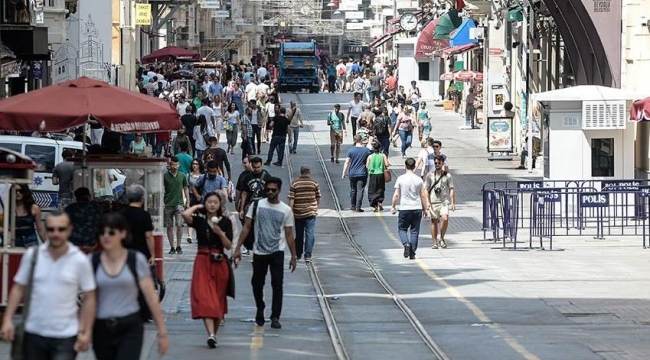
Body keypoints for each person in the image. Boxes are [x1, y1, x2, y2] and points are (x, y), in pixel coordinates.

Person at [1, 211, 97, 358]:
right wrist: (8, 319)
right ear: (46, 229)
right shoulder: (33, 256)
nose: (56, 233)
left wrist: (86, 331)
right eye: (51, 229)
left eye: (61, 229)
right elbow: (19, 287)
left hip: (66, 335)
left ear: (69, 229)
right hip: (34, 332)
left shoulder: (79, 260)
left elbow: (90, 297)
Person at [91, 213, 168, 360]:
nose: (106, 236)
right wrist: (84, 331)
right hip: (101, 328)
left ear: (123, 233)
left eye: (111, 232)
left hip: (129, 327)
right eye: (102, 232)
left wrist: (162, 331)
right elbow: (89, 299)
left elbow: (151, 296)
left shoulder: (135, 260)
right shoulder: (93, 262)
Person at [234, 177, 297, 329]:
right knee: (256, 283)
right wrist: (238, 248)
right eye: (267, 189)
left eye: (273, 190)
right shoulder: (256, 205)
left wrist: (294, 256)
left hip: (277, 252)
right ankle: (260, 307)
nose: (269, 192)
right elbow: (247, 227)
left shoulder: (286, 210)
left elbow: (289, 234)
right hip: (259, 251)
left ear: (279, 191)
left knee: (277, 284)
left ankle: (275, 316)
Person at [182, 192, 233, 348]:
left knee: (218, 300)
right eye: (209, 202)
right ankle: (211, 334)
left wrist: (220, 233)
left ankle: (213, 335)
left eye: (215, 202)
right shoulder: (199, 221)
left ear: (220, 205)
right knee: (204, 297)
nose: (212, 205)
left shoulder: (225, 222)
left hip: (219, 262)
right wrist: (198, 206)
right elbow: (185, 215)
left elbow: (229, 245)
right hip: (202, 260)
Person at [391, 158, 430, 260]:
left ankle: (406, 244)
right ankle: (412, 253)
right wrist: (426, 209)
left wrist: (393, 206)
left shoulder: (400, 178)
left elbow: (396, 195)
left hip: (404, 208)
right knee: (414, 231)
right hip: (417, 208)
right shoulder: (419, 180)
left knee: (402, 229)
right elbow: (423, 195)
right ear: (414, 167)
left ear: (405, 166)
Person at [287, 165, 321, 262]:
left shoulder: (295, 183)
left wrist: (291, 209)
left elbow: (291, 198)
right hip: (311, 212)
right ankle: (308, 255)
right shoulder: (314, 183)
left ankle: (298, 254)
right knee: (310, 233)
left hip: (298, 212)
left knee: (299, 233)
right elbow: (318, 196)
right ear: (309, 172)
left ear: (301, 172)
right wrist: (315, 207)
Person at [425, 155, 456, 249]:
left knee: (445, 218)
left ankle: (441, 238)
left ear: (442, 163)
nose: (437, 165)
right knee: (433, 221)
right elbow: (426, 189)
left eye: (439, 163)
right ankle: (434, 242)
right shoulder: (430, 175)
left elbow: (451, 189)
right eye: (435, 163)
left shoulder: (447, 175)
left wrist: (452, 202)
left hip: (444, 202)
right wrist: (427, 202)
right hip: (433, 201)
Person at [164, 156, 190, 255]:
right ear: (169, 165)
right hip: (168, 203)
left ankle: (179, 245)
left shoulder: (182, 175)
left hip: (179, 203)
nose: (175, 167)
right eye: (172, 165)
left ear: (179, 165)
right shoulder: (165, 176)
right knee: (169, 226)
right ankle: (172, 247)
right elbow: (162, 188)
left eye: (176, 165)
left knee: (180, 224)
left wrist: (188, 201)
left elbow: (186, 188)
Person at [65, 187, 103, 252]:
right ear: (89, 196)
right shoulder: (96, 208)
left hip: (73, 243)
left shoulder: (70, 208)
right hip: (92, 243)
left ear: (76, 198)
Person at [342, 135, 372, 212]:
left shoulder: (351, 150)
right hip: (362, 173)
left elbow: (347, 162)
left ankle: (353, 206)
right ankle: (358, 207)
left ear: (354, 140)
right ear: (361, 140)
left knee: (353, 190)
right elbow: (371, 158)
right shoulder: (366, 150)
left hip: (352, 173)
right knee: (360, 190)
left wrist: (344, 173)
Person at [366, 142, 389, 212]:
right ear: (380, 148)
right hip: (381, 174)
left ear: (373, 148)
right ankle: (380, 202)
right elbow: (387, 164)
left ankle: (375, 204)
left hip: (373, 175)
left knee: (372, 189)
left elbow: (367, 166)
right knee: (380, 188)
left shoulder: (370, 156)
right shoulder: (383, 155)